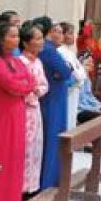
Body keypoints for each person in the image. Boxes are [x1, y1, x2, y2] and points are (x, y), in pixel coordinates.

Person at [0, 23, 34, 201]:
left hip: (17, 111)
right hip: (1, 114)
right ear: (1, 39)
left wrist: (22, 84)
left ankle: (12, 200)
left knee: (15, 156)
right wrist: (22, 84)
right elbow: (12, 85)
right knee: (0, 155)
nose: (17, 40)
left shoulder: (16, 60)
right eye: (12, 36)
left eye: (17, 36)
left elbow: (30, 81)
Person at [34, 16, 72, 190]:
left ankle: (52, 177)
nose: (59, 34)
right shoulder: (49, 50)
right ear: (48, 32)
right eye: (56, 31)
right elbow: (65, 71)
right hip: (53, 98)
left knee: (53, 136)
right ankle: (48, 180)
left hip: (54, 95)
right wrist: (67, 70)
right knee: (52, 137)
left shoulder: (49, 49)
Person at [18, 22, 49, 196]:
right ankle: (21, 187)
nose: (42, 41)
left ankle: (32, 186)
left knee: (35, 146)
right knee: (24, 147)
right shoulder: (19, 62)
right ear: (26, 42)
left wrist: (39, 90)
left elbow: (44, 84)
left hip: (35, 108)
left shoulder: (38, 62)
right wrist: (31, 91)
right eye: (37, 38)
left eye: (41, 38)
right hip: (23, 108)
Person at [58, 22, 88, 130]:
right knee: (67, 118)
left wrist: (82, 74)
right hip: (68, 89)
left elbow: (80, 70)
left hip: (74, 89)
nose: (73, 36)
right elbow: (74, 72)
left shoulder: (69, 51)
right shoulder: (60, 51)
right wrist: (81, 76)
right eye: (70, 33)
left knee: (71, 118)